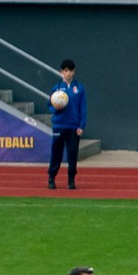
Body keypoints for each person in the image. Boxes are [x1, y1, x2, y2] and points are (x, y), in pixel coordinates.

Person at [46, 60, 87, 189]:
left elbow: (83, 108)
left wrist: (81, 125)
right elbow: (49, 105)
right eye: (66, 71)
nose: (68, 73)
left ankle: (71, 179)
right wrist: (55, 108)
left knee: (72, 154)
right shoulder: (56, 88)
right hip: (59, 125)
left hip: (73, 127)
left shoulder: (79, 88)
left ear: (74, 72)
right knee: (56, 152)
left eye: (70, 70)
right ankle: (51, 177)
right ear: (61, 72)